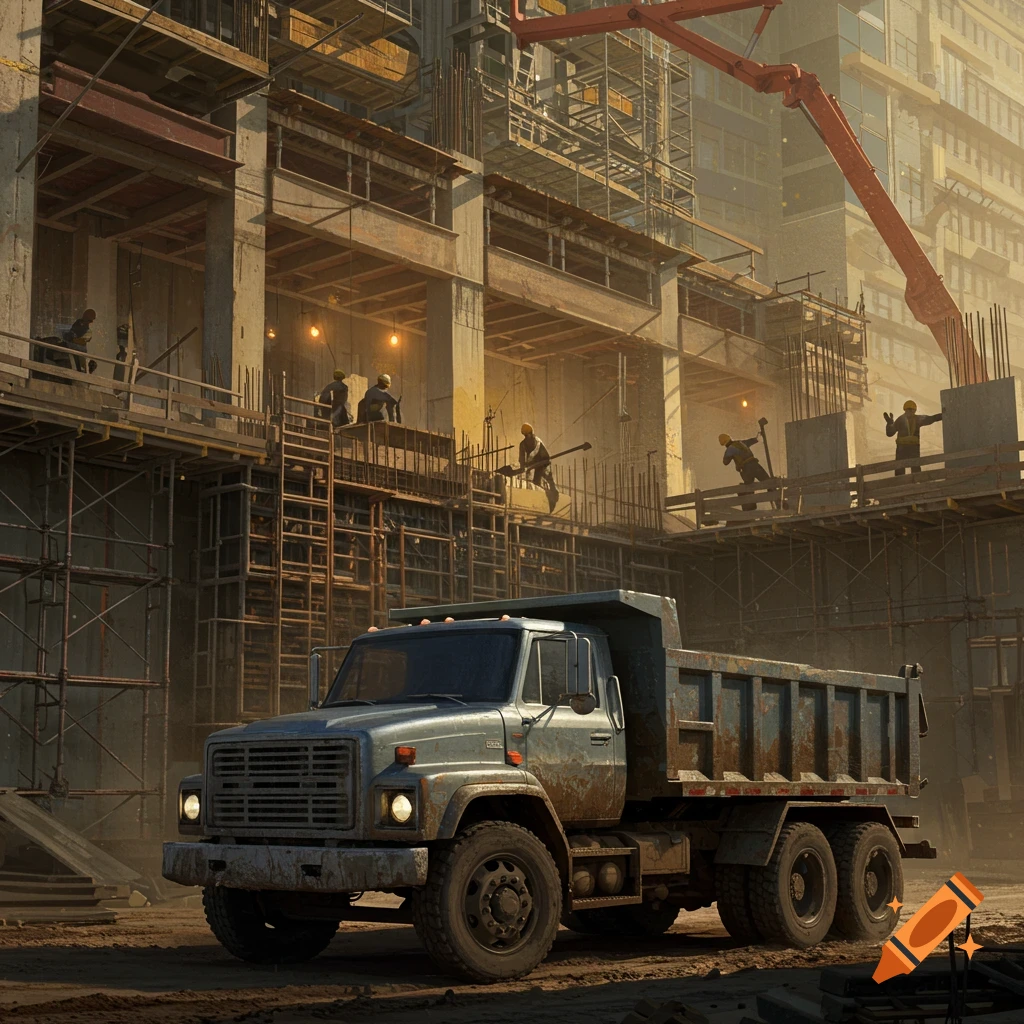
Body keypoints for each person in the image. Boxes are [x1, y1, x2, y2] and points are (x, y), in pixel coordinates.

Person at [885, 400, 941, 476]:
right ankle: (907, 485)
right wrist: (889, 422)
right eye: (909, 410)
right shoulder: (911, 419)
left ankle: (909, 485)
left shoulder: (904, 420)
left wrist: (889, 423)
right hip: (909, 450)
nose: (910, 412)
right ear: (905, 410)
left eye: (911, 410)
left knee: (908, 469)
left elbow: (932, 419)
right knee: (907, 469)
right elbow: (890, 433)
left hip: (905, 450)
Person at [720, 432, 770, 511]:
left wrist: (730, 456)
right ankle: (779, 502)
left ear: (724, 444)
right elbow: (752, 440)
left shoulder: (729, 449)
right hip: (755, 465)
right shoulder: (741, 442)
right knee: (768, 482)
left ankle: (749, 511)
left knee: (748, 488)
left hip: (746, 469)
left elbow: (725, 462)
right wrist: (758, 437)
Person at [520, 423, 559, 513]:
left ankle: (554, 494)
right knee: (536, 482)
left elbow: (534, 452)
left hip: (544, 462)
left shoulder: (537, 441)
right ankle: (540, 504)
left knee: (548, 478)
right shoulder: (523, 444)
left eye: (529, 434)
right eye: (526, 435)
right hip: (535, 463)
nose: (528, 436)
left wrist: (528, 465)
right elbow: (522, 457)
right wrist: (523, 466)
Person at [63, 308, 96, 373]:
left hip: (79, 346)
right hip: (74, 344)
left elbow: (86, 338)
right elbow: (72, 332)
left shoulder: (87, 328)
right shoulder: (78, 322)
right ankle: (81, 369)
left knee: (79, 356)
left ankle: (84, 369)